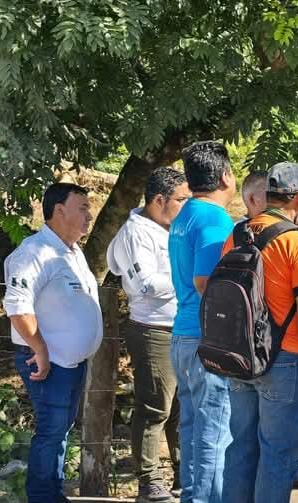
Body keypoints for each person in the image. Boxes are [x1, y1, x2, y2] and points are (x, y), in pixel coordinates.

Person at [222, 163, 298, 503]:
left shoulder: (238, 234)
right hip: (287, 358)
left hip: (241, 357)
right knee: (278, 455)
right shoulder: (296, 240)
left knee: (241, 449)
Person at [3, 182, 104, 503]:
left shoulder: (72, 251)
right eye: (83, 208)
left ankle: (52, 493)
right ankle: (42, 496)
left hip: (70, 362)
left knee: (59, 431)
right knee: (51, 432)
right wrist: (40, 349)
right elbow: (17, 307)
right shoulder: (33, 252)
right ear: (59, 211)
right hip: (48, 362)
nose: (90, 215)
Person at [107, 167, 188, 502]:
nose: (186, 205)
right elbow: (146, 285)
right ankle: (149, 480)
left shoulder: (170, 228)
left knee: (181, 407)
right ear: (159, 200)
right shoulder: (135, 233)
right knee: (155, 407)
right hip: (154, 330)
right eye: (181, 199)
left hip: (181, 327)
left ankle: (184, 473)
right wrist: (190, 280)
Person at [167, 141, 236, 503]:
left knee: (194, 427)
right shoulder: (214, 218)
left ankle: (193, 496)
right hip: (207, 339)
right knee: (215, 431)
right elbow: (204, 280)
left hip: (183, 334)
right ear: (225, 176)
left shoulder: (184, 215)